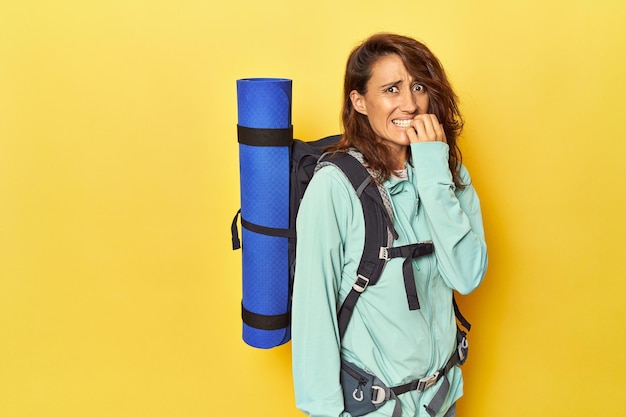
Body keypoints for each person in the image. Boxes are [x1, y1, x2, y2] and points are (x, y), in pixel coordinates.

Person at [291, 33, 488, 417]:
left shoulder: (446, 173)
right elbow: (313, 313)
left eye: (417, 86)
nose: (410, 104)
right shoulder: (334, 187)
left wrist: (433, 171)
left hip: (442, 401)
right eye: (391, 89)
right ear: (359, 101)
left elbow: (466, 276)